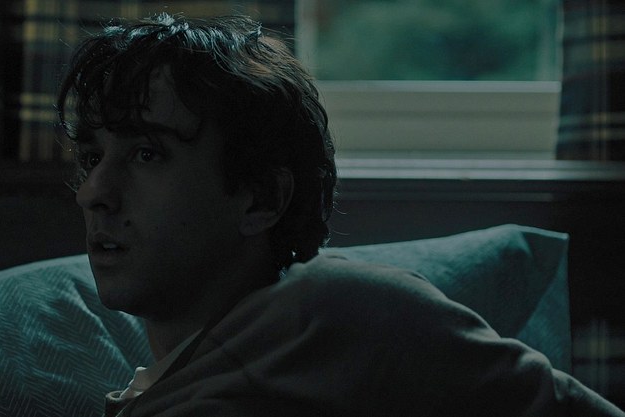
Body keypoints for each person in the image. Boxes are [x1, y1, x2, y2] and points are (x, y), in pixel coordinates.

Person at [57, 13, 624, 417]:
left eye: (147, 154)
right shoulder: (148, 393)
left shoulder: (336, 311)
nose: (94, 193)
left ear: (261, 198)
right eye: (91, 158)